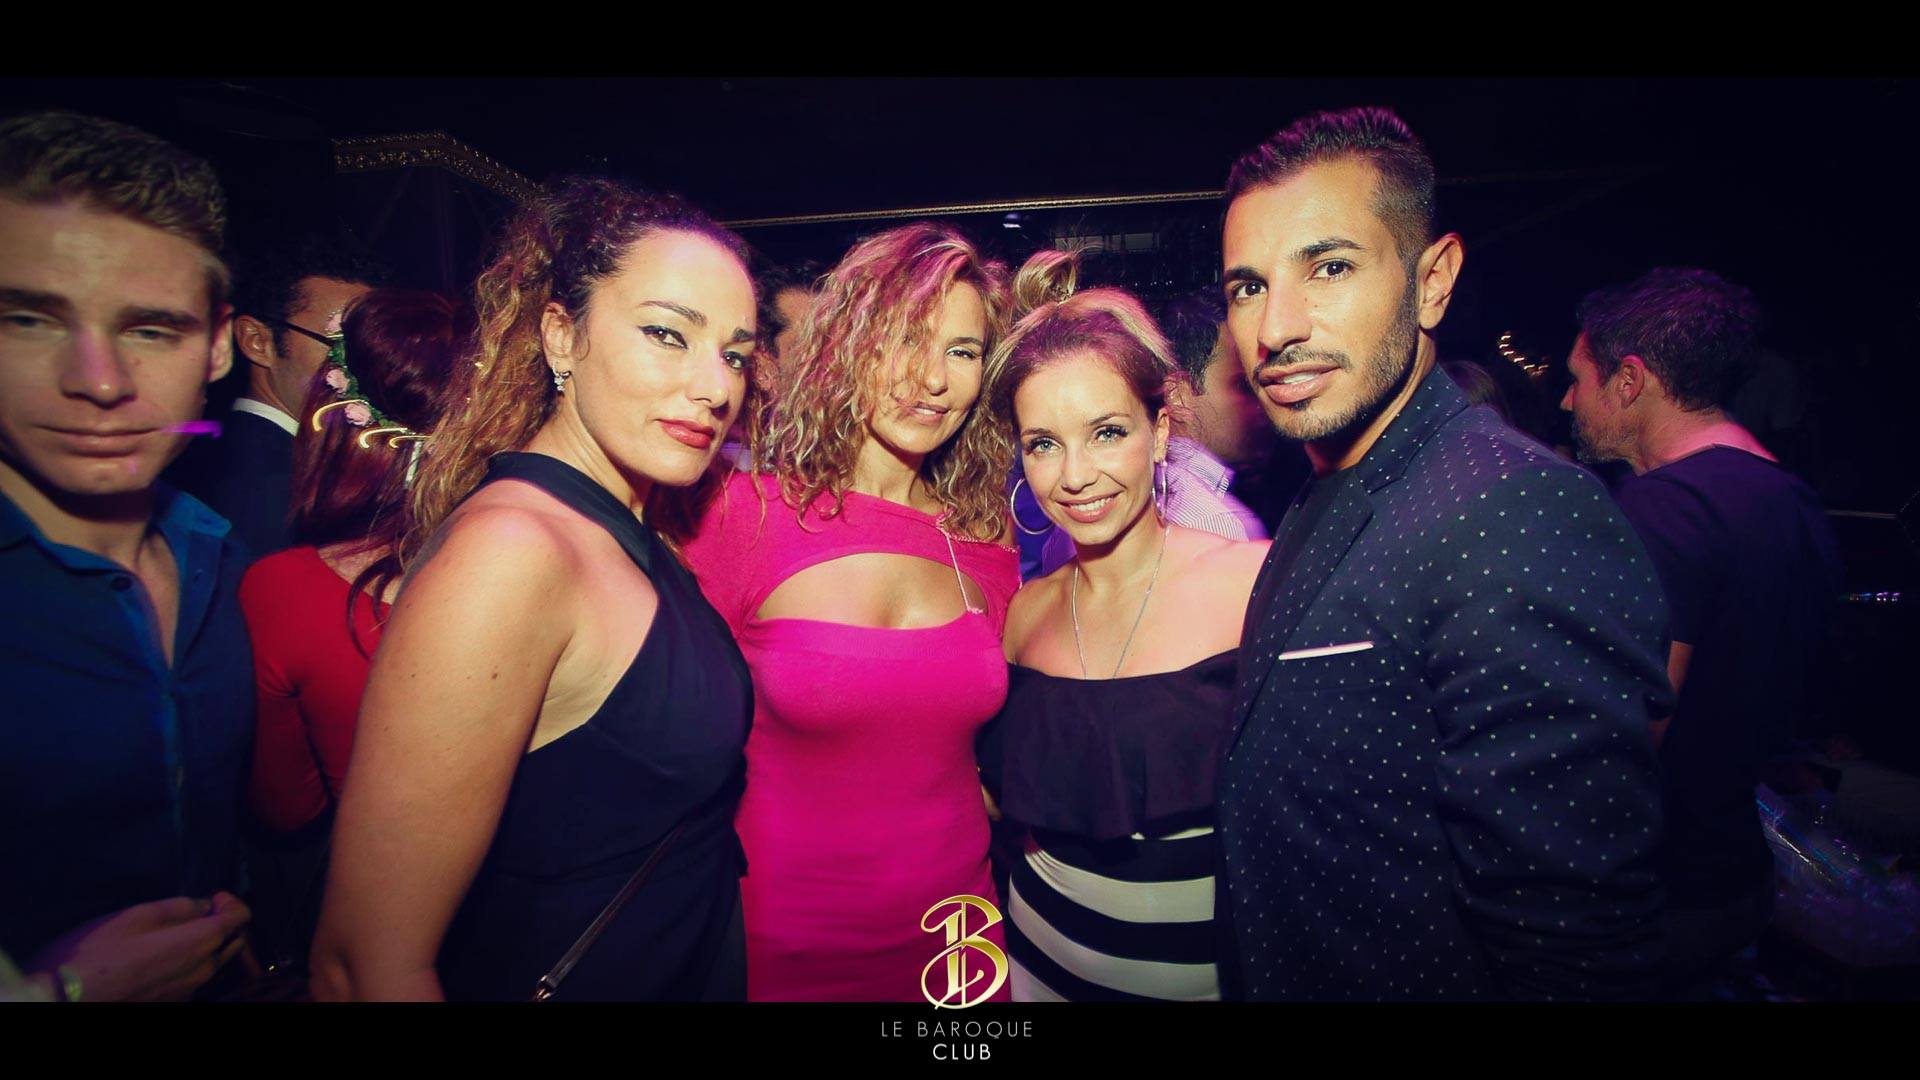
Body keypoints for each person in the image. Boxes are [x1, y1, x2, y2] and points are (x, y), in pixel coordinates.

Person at [1215, 106, 1673, 1000]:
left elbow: (1573, 942)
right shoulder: (1333, 479)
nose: (1276, 327)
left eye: (1330, 267)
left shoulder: (1519, 509)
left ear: (1432, 282)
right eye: (1248, 287)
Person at [308, 177, 759, 1002]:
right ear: (560, 336)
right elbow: (363, 965)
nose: (715, 387)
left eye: (734, 353)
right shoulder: (511, 554)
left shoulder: (630, 525)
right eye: (667, 333)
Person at [679, 222, 1018, 1001]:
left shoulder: (984, 534)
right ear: (850, 344)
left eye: (962, 351)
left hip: (957, 939)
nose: (932, 378)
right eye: (905, 339)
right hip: (779, 939)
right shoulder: (742, 516)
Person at [0, 110, 255, 1000]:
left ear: (216, 345)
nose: (99, 382)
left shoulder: (218, 558)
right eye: (30, 320)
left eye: (151, 330)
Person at [981, 251, 1268, 1001]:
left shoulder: (1251, 584)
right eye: (1044, 443)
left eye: (1106, 432)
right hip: (1037, 965)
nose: (1074, 476)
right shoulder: (1026, 614)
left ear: (1160, 429)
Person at [1561, 267, 1842, 997]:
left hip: (1653, 889)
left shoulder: (1664, 510)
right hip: (1734, 873)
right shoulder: (1792, 500)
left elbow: (1632, 728)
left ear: (1630, 380)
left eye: (1578, 380)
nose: (1567, 401)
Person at [238, 288, 466, 964]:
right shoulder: (547, 560)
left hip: (379, 927)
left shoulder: (283, 591)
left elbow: (286, 807)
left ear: (330, 424)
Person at [169, 231, 384, 559]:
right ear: (258, 342)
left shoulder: (297, 462)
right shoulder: (260, 481)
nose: (366, 365)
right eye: (341, 343)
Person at [1034, 285, 1270, 576]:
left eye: (1107, 434)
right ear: (1178, 396)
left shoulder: (1085, 511)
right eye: (1241, 385)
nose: (1074, 477)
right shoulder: (1221, 525)